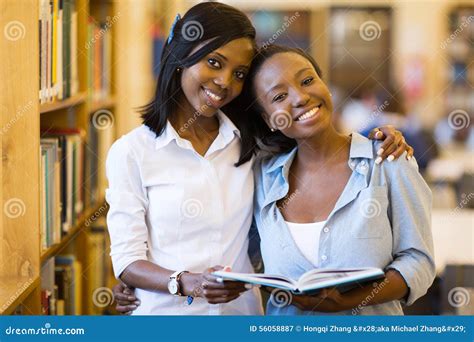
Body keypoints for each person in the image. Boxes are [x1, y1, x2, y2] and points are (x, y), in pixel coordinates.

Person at [108, 3, 414, 315]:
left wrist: (383, 136)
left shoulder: (253, 146)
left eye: (238, 73)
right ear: (180, 55)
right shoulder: (131, 152)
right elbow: (127, 259)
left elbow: (311, 139)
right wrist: (181, 282)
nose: (225, 82)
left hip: (241, 317)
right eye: (214, 62)